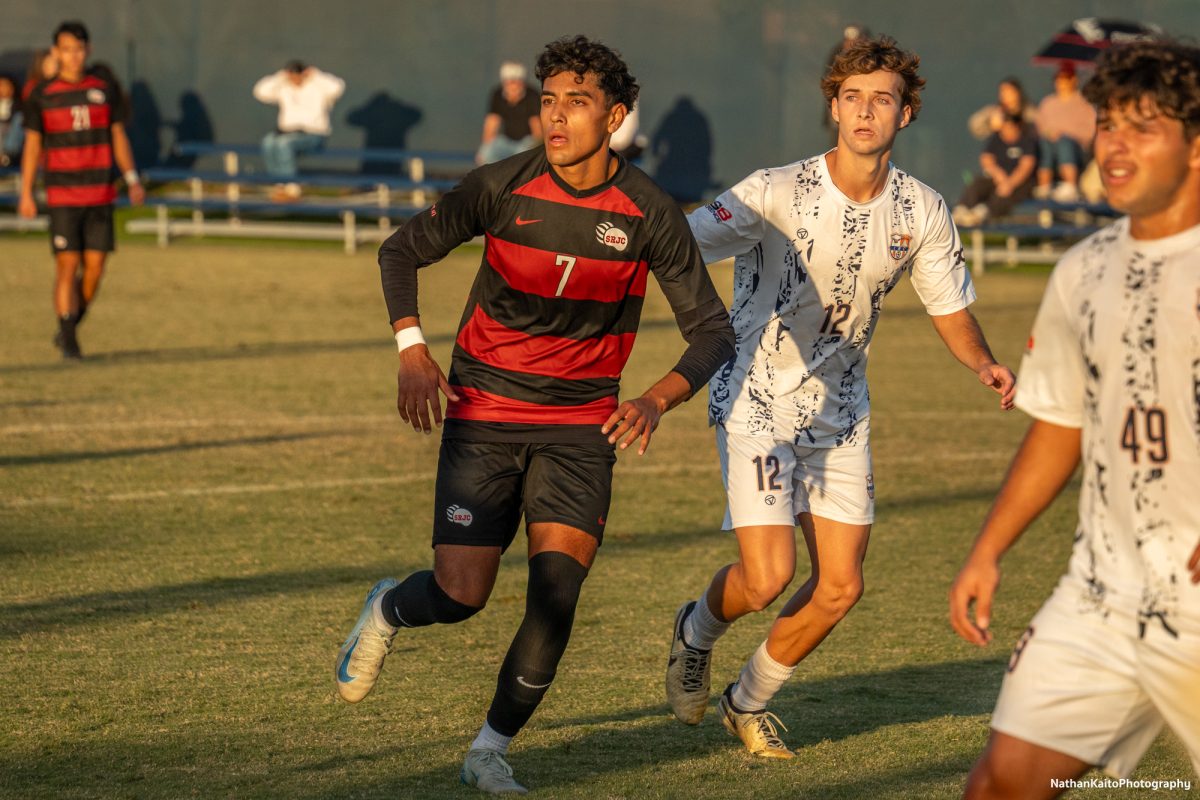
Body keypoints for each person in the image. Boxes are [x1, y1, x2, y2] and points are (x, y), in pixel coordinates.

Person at [335, 35, 735, 795]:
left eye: (575, 103)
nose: (554, 118)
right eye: (548, 102)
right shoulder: (500, 186)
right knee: (461, 596)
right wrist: (412, 350)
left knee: (557, 595)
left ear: (614, 116)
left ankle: (489, 750)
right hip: (483, 409)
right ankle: (388, 609)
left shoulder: (649, 212)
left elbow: (713, 332)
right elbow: (399, 252)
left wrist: (655, 398)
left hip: (582, 427)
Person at [665, 35, 1017, 759]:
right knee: (767, 579)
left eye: (881, 98)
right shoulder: (774, 191)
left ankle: (746, 701)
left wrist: (982, 362)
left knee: (840, 588)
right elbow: (678, 245)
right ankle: (694, 634)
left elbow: (950, 307)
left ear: (906, 114)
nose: (865, 110)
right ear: (833, 106)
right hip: (756, 402)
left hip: (840, 415)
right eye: (852, 97)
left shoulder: (921, 210)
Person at [949, 39, 1200, 798]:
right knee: (999, 787)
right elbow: (1060, 422)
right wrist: (989, 549)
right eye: (1108, 124)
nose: (1116, 148)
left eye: (1143, 127)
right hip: (1102, 591)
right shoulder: (1082, 269)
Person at [18, 20, 143, 360]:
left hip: (100, 193)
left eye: (78, 49)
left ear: (87, 51)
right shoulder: (41, 95)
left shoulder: (104, 89)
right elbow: (32, 146)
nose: (73, 56)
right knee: (66, 265)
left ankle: (68, 327)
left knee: (95, 270)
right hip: (62, 196)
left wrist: (131, 177)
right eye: (66, 50)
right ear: (56, 52)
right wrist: (26, 191)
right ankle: (70, 340)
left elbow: (117, 135)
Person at [252, 59, 344, 200]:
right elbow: (260, 92)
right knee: (268, 142)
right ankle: (280, 185)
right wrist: (280, 76)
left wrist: (316, 74)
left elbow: (337, 88)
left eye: (297, 74)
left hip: (313, 134)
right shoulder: (283, 86)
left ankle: (292, 188)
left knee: (284, 144)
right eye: (291, 74)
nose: (294, 78)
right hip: (287, 132)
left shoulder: (318, 87)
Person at [953, 110, 1039, 226]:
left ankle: (980, 215)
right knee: (978, 183)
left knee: (1005, 194)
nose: (1007, 131)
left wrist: (1009, 183)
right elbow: (986, 159)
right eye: (1005, 126)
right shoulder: (996, 138)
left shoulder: (1027, 141)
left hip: (1019, 184)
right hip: (998, 179)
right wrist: (998, 175)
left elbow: (1026, 166)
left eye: (1010, 127)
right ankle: (961, 210)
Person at [1034, 62, 1096, 203]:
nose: (1061, 83)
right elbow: (1039, 126)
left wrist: (1063, 133)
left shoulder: (1083, 103)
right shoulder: (1047, 103)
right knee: (1045, 143)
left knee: (1064, 142)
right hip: (1050, 145)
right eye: (1058, 79)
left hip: (1076, 149)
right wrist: (1049, 133)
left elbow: (1090, 131)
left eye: (1065, 79)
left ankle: (1070, 186)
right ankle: (1044, 186)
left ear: (1074, 80)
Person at [476, 61, 541, 164]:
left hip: (526, 142)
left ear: (522, 82)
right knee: (486, 154)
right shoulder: (497, 94)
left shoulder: (532, 95)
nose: (514, 86)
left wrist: (538, 152)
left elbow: (537, 129)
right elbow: (491, 123)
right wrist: (484, 150)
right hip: (506, 141)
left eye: (517, 81)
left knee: (524, 156)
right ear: (504, 82)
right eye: (510, 82)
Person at [0, 75, 22, 166]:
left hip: (11, 146)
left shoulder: (20, 107)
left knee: (19, 119)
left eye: (6, 85)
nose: (3, 89)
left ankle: (6, 156)